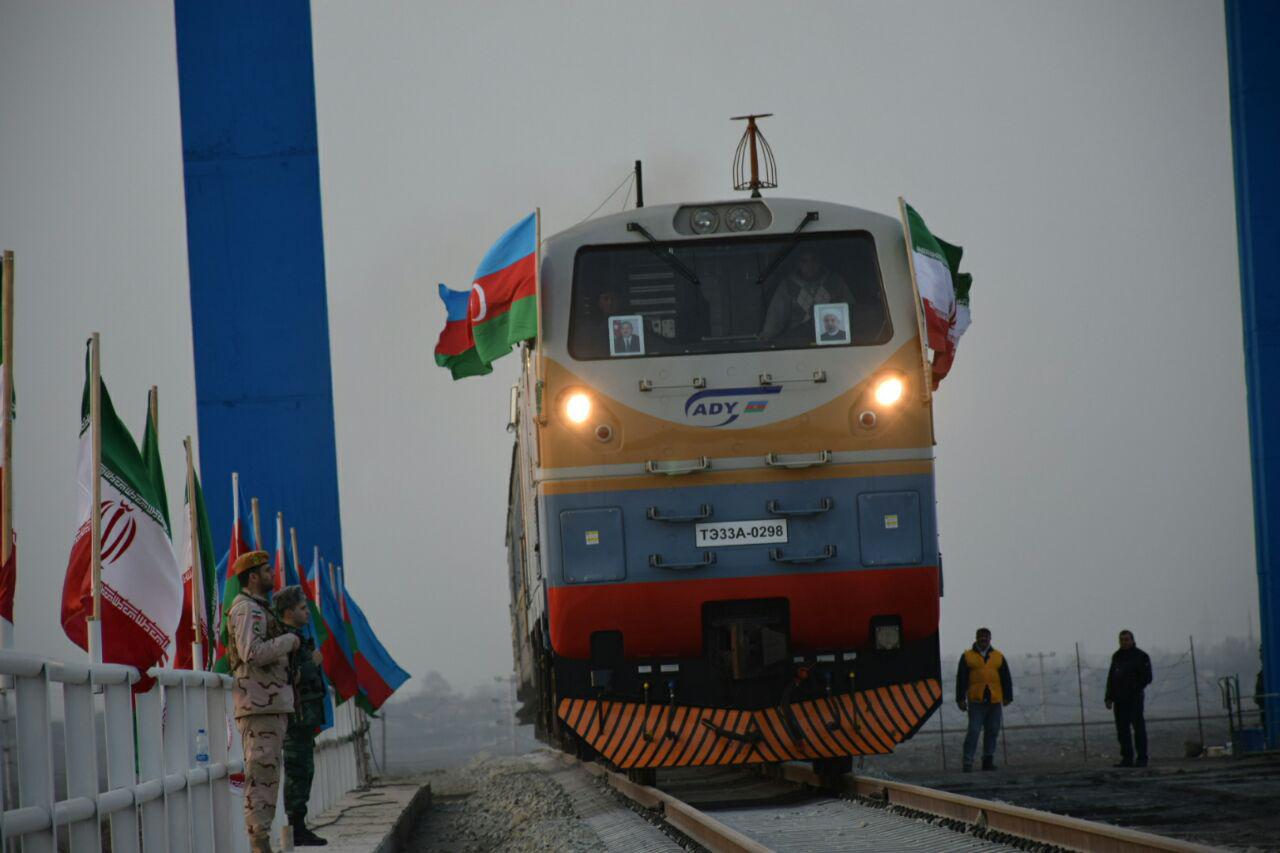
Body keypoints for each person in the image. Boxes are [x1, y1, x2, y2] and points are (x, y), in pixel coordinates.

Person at [228, 550, 300, 853]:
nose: (273, 575)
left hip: (268, 704)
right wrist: (289, 640)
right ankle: (259, 844)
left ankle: (262, 841)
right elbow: (251, 652)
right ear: (253, 576)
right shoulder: (248, 610)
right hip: (259, 706)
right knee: (261, 777)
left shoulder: (260, 609)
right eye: (268, 570)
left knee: (268, 777)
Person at [276, 585, 329, 846]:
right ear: (288, 612)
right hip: (296, 718)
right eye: (302, 608)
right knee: (298, 771)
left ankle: (299, 825)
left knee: (304, 770)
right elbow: (288, 678)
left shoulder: (297, 638)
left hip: (304, 717)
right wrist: (312, 665)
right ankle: (295, 827)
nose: (307, 613)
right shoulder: (286, 640)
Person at [760, 251, 853, 341]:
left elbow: (852, 311)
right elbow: (775, 320)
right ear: (798, 264)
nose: (810, 265)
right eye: (804, 261)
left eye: (814, 260)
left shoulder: (835, 282)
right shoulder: (787, 286)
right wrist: (766, 339)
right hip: (798, 344)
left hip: (832, 341)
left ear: (820, 262)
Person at [956, 627, 1013, 772]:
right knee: (974, 731)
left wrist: (1008, 696)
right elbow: (961, 679)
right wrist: (960, 699)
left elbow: (1006, 677)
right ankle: (967, 762)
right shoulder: (967, 657)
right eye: (981, 637)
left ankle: (988, 760)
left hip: (994, 700)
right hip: (976, 700)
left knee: (992, 730)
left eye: (986, 638)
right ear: (976, 638)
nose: (983, 640)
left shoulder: (998, 656)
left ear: (990, 639)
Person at [1105, 629, 1153, 767]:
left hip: (1134, 699)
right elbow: (1111, 679)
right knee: (1122, 731)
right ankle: (1127, 758)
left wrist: (1134, 688)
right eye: (1121, 640)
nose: (1124, 642)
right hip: (1119, 700)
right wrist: (1108, 697)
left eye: (1126, 639)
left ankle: (1142, 758)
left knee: (1138, 729)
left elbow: (1147, 677)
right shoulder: (1117, 657)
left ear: (1132, 640)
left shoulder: (1141, 656)